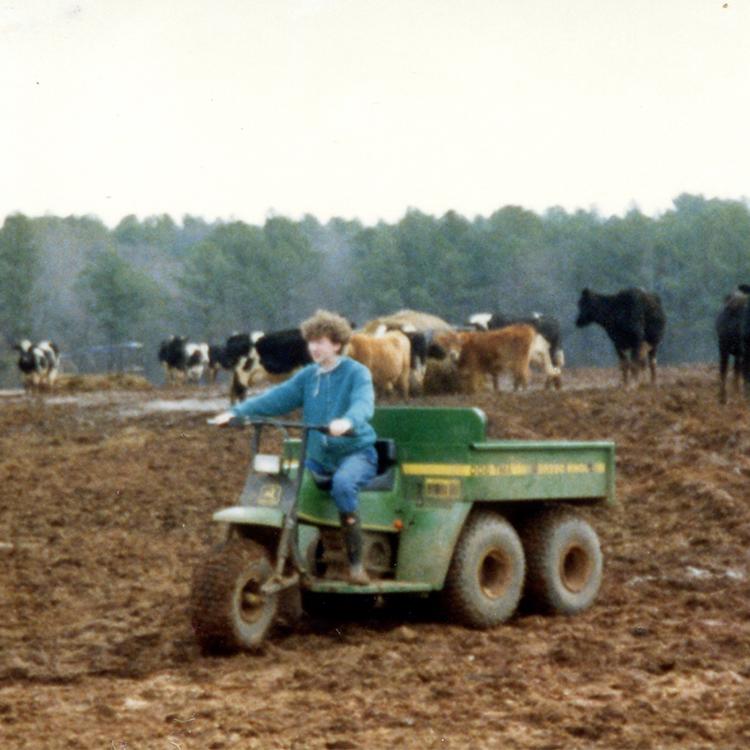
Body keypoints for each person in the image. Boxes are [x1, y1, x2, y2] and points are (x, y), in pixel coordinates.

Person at [210, 310, 377, 585]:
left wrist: (347, 421)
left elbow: (363, 404)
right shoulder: (308, 376)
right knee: (282, 485)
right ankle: (281, 560)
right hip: (318, 457)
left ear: (336, 344)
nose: (313, 347)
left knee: (344, 485)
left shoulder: (357, 373)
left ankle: (356, 564)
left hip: (355, 453)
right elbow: (274, 399)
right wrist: (235, 413)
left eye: (320, 341)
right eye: (310, 342)